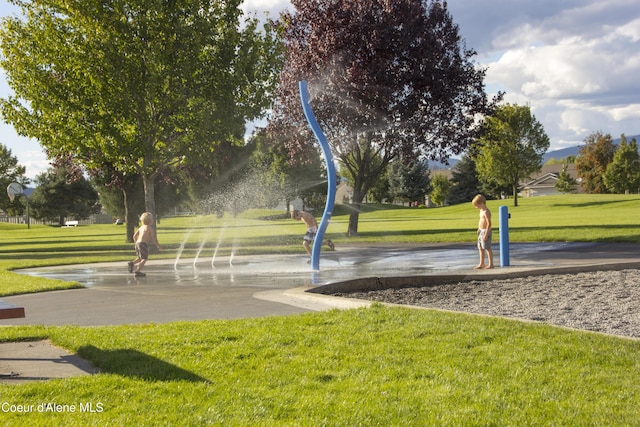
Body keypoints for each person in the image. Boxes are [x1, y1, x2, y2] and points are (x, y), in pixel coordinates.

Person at [128, 212, 162, 276]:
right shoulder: (150, 228)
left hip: (138, 243)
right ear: (149, 221)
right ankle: (138, 271)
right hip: (143, 244)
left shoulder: (141, 227)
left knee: (140, 258)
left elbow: (134, 236)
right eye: (152, 219)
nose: (153, 220)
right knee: (144, 259)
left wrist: (136, 243)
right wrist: (158, 246)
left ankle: (131, 263)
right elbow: (154, 238)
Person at [472, 194, 494, 269]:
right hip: (481, 231)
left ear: (481, 203)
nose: (476, 207)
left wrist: (486, 233)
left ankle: (491, 264)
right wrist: (479, 229)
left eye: (477, 205)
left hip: (485, 231)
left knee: (487, 247)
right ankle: (482, 263)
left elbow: (489, 223)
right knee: (480, 247)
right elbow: (481, 221)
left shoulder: (486, 212)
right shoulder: (481, 211)